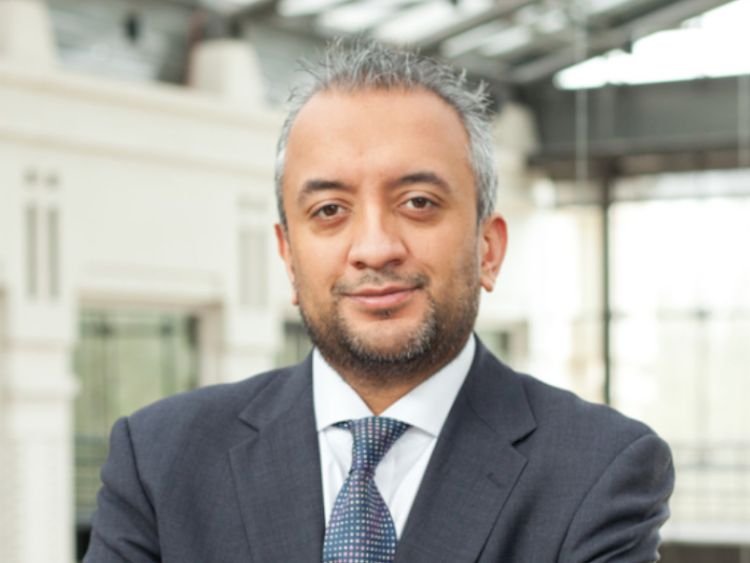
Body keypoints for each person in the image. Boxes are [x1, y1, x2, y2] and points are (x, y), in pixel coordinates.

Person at [85, 39, 674, 563]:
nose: (374, 248)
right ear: (289, 258)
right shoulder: (160, 458)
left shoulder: (599, 470)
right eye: (329, 210)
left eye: (418, 202)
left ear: (488, 249)